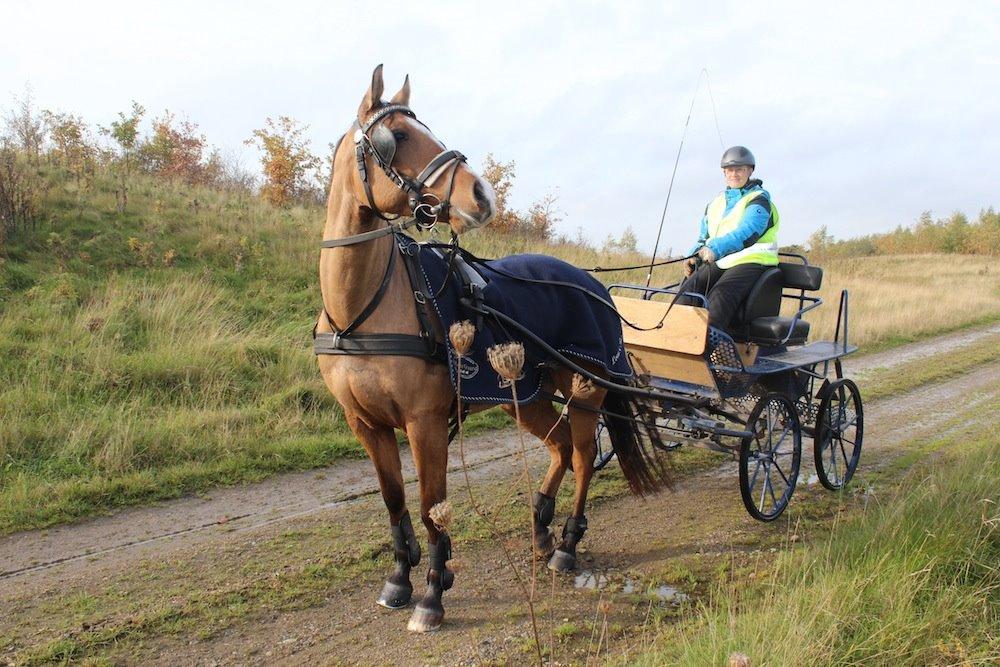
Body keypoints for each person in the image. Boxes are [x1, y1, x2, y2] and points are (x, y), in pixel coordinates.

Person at [676, 145, 780, 329]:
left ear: (750, 170)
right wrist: (693, 255)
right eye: (729, 170)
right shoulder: (716, 202)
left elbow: (747, 232)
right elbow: (704, 236)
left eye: (739, 169)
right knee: (688, 290)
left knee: (720, 295)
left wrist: (714, 249)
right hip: (723, 260)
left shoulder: (759, 201)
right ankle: (677, 342)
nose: (734, 174)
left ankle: (716, 351)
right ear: (724, 173)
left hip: (753, 260)